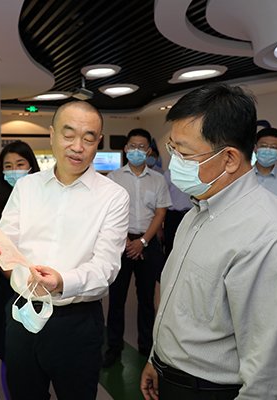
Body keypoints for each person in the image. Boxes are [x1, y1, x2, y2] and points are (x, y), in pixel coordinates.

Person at [140, 84, 277, 400]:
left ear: (230, 159)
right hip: (171, 377)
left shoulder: (272, 237)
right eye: (172, 148)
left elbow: (275, 378)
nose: (174, 161)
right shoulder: (197, 212)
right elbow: (180, 306)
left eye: (184, 153)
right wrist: (158, 358)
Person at [0, 101, 129, 400]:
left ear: (98, 142)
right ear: (52, 134)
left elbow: (106, 267)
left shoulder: (113, 197)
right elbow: (5, 242)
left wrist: (61, 281)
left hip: (77, 322)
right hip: (22, 313)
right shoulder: (27, 187)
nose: (77, 147)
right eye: (68, 135)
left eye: (89, 138)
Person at [103, 128, 171, 367]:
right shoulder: (113, 178)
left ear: (149, 151)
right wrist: (126, 242)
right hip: (120, 243)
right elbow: (109, 214)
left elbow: (160, 212)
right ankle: (114, 347)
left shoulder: (158, 179)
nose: (137, 150)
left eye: (142, 147)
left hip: (148, 242)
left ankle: (146, 346)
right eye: (132, 146)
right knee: (116, 299)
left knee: (146, 299)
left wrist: (142, 242)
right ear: (125, 148)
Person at [0, 141, 40, 396]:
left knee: (42, 353)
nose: (14, 171)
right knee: (11, 355)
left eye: (20, 164)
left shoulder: (45, 203)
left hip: (43, 285)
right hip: (9, 289)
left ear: (31, 166)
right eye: (8, 166)